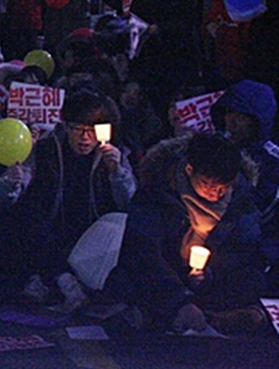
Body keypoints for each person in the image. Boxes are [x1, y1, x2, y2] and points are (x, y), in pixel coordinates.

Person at [0, 89, 135, 309]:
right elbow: (1, 198)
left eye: (92, 130)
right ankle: (63, 280)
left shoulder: (114, 154)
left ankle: (58, 279)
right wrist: (12, 182)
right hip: (50, 228)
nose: (85, 137)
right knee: (27, 211)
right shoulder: (44, 148)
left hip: (92, 233)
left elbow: (129, 202)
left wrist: (117, 172)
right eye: (78, 129)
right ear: (66, 127)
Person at [112, 133, 268, 334]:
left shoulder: (240, 202)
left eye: (224, 187)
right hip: (166, 278)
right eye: (209, 184)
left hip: (213, 283)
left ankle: (221, 317)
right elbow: (142, 251)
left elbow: (247, 253)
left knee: (253, 279)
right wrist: (179, 299)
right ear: (189, 169)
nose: (216, 193)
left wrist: (209, 274)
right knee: (131, 279)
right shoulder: (157, 194)